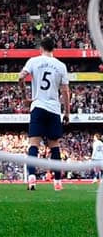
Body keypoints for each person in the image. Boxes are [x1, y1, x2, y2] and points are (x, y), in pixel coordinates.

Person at [22, 36, 70, 192]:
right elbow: (65, 92)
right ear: (53, 49)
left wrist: (25, 97)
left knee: (33, 144)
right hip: (54, 109)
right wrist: (67, 112)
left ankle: (31, 179)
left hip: (38, 106)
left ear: (41, 48)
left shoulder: (33, 61)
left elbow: (20, 77)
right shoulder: (61, 66)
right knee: (54, 145)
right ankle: (57, 182)